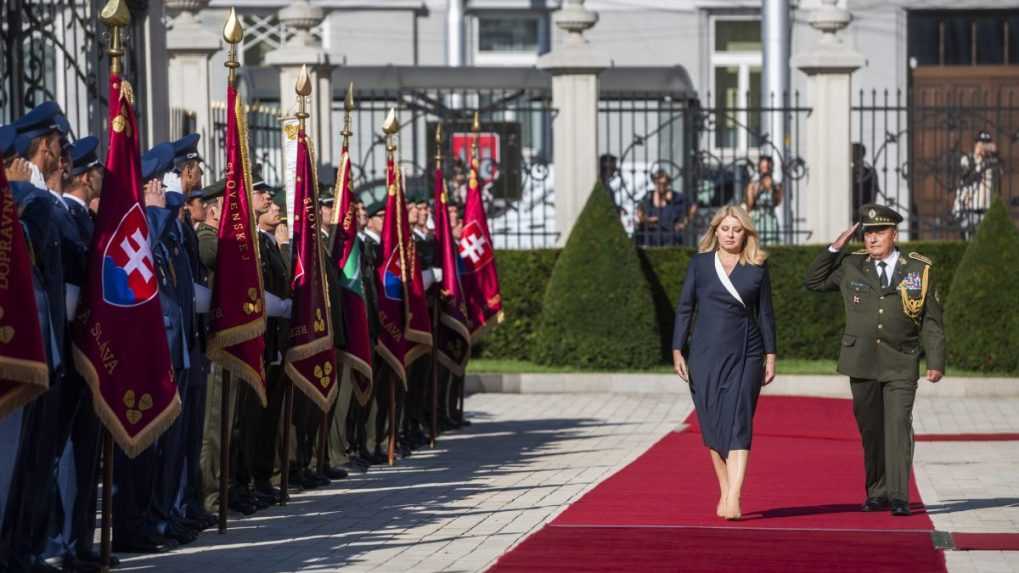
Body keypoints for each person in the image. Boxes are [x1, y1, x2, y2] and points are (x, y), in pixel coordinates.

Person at [803, 203, 945, 517]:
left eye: (879, 232)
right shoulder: (852, 265)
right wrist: (835, 247)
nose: (872, 238)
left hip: (900, 360)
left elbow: (932, 321)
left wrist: (935, 361)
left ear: (894, 234)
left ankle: (898, 496)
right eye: (868, 233)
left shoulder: (917, 268)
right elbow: (813, 281)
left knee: (897, 425)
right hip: (862, 361)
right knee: (871, 430)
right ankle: (877, 493)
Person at [671, 205, 777, 521]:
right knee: (713, 423)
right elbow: (685, 308)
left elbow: (767, 314)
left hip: (747, 352)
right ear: (715, 230)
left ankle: (734, 496)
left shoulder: (757, 266)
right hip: (704, 354)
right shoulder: (700, 265)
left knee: (739, 419)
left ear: (746, 233)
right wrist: (678, 348)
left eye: (737, 229)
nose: (731, 234)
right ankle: (725, 487)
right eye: (725, 228)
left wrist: (770, 355)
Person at [953, 130, 998, 239]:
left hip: (985, 208)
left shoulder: (993, 162)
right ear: (976, 144)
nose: (984, 147)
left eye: (986, 144)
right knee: (968, 242)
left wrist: (994, 153)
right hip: (969, 207)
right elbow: (967, 176)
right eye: (981, 143)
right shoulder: (968, 159)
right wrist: (978, 157)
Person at [635, 170, 694, 246]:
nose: (661, 186)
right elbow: (640, 213)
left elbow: (693, 207)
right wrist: (648, 220)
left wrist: (684, 223)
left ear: (668, 183)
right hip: (650, 239)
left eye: (664, 184)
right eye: (658, 183)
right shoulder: (649, 196)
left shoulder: (676, 197)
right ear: (654, 183)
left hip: (670, 240)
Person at [745, 156, 782, 245]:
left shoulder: (776, 184)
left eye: (768, 167)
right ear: (759, 168)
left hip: (770, 217)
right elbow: (749, 205)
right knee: (756, 243)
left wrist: (775, 190)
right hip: (757, 217)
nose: (765, 170)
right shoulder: (753, 184)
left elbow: (777, 202)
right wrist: (757, 189)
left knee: (772, 243)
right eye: (763, 167)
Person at [852, 143, 880, 214]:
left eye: (856, 153)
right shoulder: (846, 172)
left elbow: (873, 193)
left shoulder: (870, 172)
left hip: (863, 212)